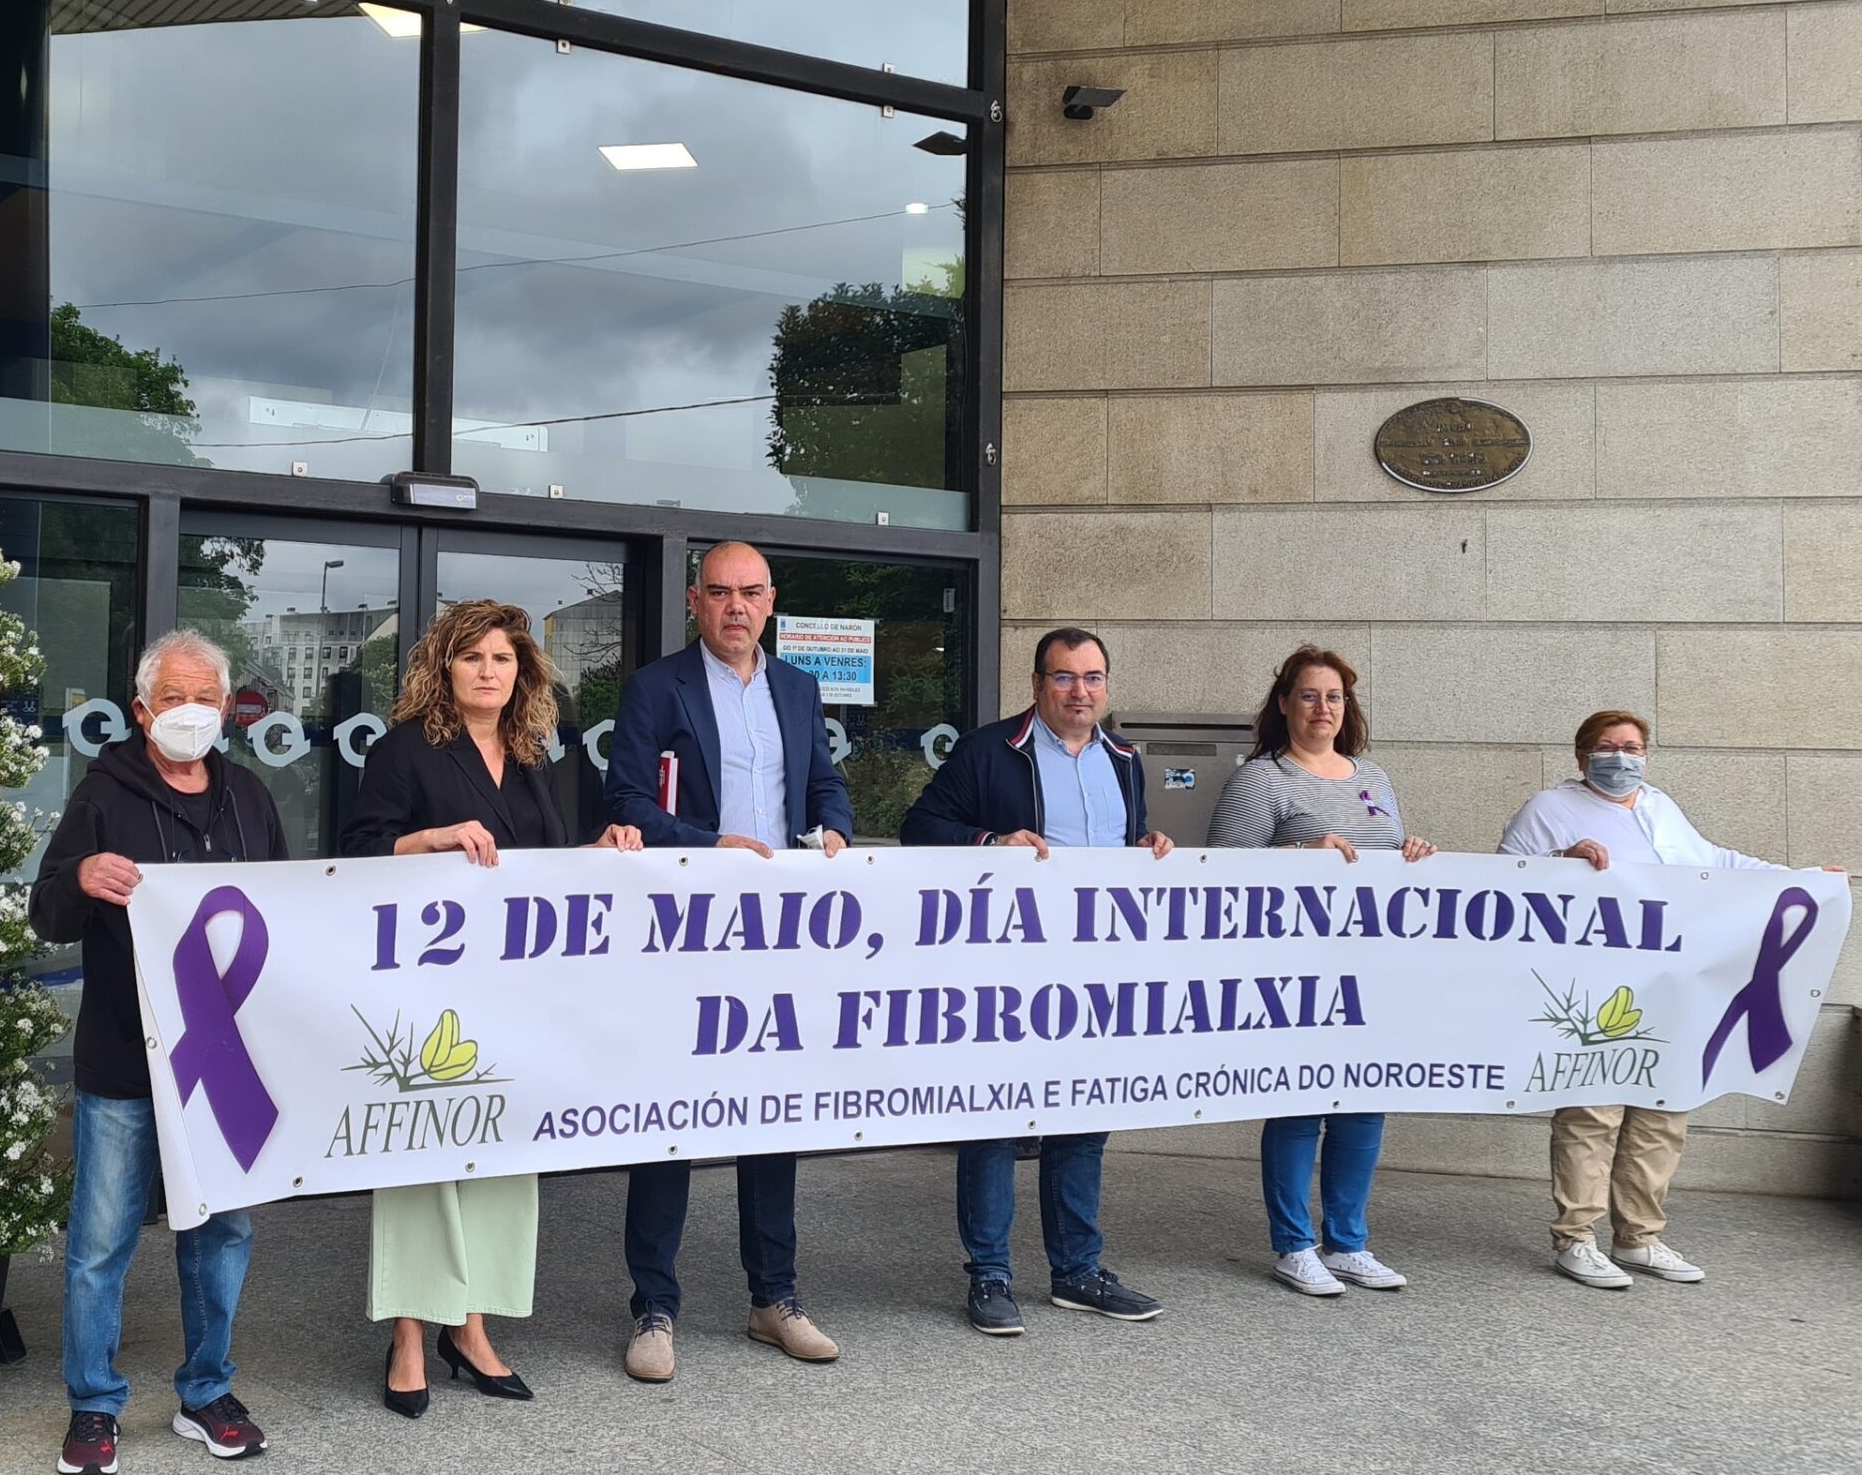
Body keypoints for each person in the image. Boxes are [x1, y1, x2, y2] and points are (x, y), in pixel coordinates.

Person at [341, 599, 640, 1415]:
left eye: (502, 659)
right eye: (472, 656)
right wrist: (429, 840)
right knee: (421, 1161)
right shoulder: (404, 750)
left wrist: (600, 851)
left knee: (501, 1157)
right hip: (427, 992)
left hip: (513, 993)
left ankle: (470, 1327)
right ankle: (409, 1333)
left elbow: (540, 868)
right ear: (444, 668)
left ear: (522, 673)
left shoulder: (533, 752)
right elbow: (355, 853)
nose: (488, 671)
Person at [29, 629, 287, 1473]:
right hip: (123, 1060)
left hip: (221, 1066)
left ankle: (207, 1392)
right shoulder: (102, 797)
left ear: (228, 708)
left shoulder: (249, 798)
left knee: (221, 1234)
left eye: (205, 698)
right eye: (173, 698)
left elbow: (287, 914)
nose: (190, 712)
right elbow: (47, 912)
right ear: (142, 711)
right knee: (101, 1242)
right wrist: (79, 879)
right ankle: (93, 1405)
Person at [603, 541, 853, 1382]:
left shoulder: (799, 688)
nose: (735, 607)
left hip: (779, 935)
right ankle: (654, 1306)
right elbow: (626, 802)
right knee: (670, 1115)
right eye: (719, 593)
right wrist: (709, 843)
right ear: (694, 601)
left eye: (749, 593)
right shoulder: (655, 687)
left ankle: (774, 1297)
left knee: (771, 1114)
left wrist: (836, 826)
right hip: (687, 929)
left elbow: (822, 783)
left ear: (771, 601)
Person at [1498, 708, 1847, 1291]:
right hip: (1598, 983)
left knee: (1663, 1109)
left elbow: (1718, 864)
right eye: (1607, 746)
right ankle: (1576, 1238)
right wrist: (1560, 863)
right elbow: (1503, 879)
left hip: (1673, 983)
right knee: (1593, 1110)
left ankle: (1638, 1236)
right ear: (1582, 755)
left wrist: (1803, 877)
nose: (1621, 757)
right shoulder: (1549, 809)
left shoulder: (1660, 807)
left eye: (1632, 747)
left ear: (1647, 755)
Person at [900, 626, 1173, 1336]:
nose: (1080, 692)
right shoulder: (990, 750)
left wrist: (1146, 845)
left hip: (1096, 974)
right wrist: (990, 842)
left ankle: (1078, 1271)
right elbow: (919, 825)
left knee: (1082, 1119)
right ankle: (989, 1276)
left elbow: (1122, 847)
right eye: (1064, 677)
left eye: (1092, 678)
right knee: (995, 1120)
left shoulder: (1124, 760)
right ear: (1036, 684)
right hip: (1007, 975)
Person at [1206, 644, 1435, 1299]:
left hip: (1370, 967)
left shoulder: (1373, 776)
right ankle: (1294, 1244)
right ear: (1284, 704)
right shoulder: (1263, 780)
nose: (1322, 708)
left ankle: (1348, 1243)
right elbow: (1219, 871)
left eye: (1334, 696)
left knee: (1363, 1101)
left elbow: (1383, 858)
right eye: (1308, 695)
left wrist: (1413, 852)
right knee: (1299, 1102)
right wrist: (1303, 852)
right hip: (1296, 972)